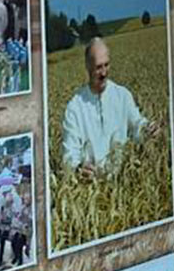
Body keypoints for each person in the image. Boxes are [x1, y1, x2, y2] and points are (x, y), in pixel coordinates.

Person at [59, 37, 149, 175]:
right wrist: (78, 168)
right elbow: (69, 153)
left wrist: (147, 130)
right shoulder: (75, 107)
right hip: (90, 184)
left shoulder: (123, 95)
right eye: (98, 67)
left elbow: (137, 125)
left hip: (124, 179)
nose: (104, 73)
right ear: (88, 66)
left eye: (106, 65)